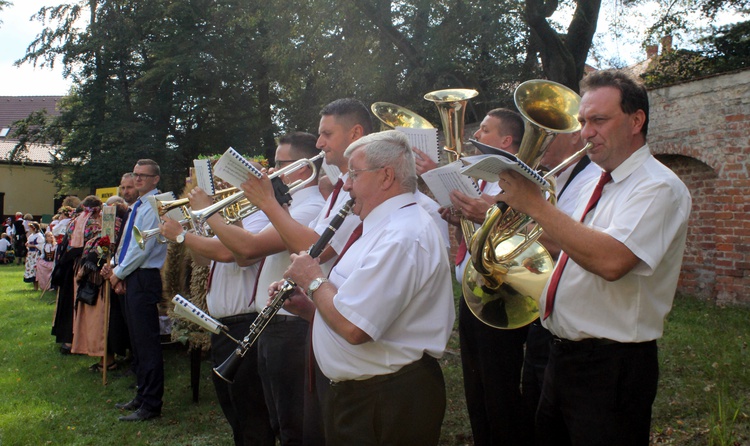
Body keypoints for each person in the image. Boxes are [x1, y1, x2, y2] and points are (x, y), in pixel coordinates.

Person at [497, 69, 691, 445]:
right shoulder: (602, 180)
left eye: (599, 120)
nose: (585, 132)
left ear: (636, 121)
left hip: (610, 368)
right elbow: (571, 245)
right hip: (561, 356)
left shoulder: (658, 186)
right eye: (583, 121)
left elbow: (611, 261)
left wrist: (534, 205)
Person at [278, 130, 455, 445]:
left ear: (386, 176)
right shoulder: (382, 227)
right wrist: (310, 308)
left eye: (354, 175)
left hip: (385, 401)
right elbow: (357, 307)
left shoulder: (402, 236)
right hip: (367, 397)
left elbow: (356, 328)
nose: (346, 185)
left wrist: (314, 280)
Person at [185, 132, 326, 445]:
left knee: (285, 426)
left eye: (279, 164)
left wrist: (210, 211)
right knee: (271, 421)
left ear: (302, 169)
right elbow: (232, 250)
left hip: (289, 324)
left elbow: (244, 253)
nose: (269, 172)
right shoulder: (277, 206)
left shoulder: (310, 205)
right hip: (271, 322)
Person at [430, 108, 531, 445]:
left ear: (506, 141)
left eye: (485, 130)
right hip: (474, 289)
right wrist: (460, 218)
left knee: (498, 384)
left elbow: (520, 239)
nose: (477, 135)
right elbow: (482, 236)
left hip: (500, 291)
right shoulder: (484, 178)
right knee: (476, 384)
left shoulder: (516, 180)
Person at [161, 158, 276, 446]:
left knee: (253, 414)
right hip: (224, 325)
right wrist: (191, 230)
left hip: (247, 320)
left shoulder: (258, 214)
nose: (221, 186)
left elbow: (234, 254)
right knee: (234, 411)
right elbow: (203, 258)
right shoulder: (224, 216)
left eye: (226, 180)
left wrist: (194, 225)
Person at [520, 130, 601, 428]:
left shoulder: (591, 178)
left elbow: (573, 242)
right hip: (548, 317)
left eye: (550, 134)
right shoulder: (554, 179)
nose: (541, 143)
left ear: (576, 138)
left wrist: (522, 218)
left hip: (586, 336)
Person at [106, 159, 168, 422]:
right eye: (136, 174)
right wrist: (114, 267)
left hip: (142, 277)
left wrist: (117, 273)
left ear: (155, 180)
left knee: (147, 343)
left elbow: (142, 248)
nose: (138, 179)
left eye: (144, 175)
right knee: (137, 343)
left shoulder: (153, 206)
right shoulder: (137, 207)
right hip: (132, 275)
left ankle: (151, 404)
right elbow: (127, 244)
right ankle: (142, 395)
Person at [71, 199, 129, 372]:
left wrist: (84, 271)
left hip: (103, 282)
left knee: (104, 324)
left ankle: (107, 361)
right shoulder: (112, 226)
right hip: (103, 281)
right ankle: (108, 358)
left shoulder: (113, 227)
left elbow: (102, 251)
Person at [52, 196, 104, 354]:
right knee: (82, 303)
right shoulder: (97, 222)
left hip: (71, 264)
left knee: (69, 302)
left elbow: (66, 243)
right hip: (87, 266)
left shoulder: (74, 221)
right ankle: (81, 340)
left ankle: (68, 340)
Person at [24, 222, 45, 290]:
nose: (29, 229)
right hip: (31, 254)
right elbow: (29, 242)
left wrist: (32, 245)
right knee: (31, 268)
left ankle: (37, 286)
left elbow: (41, 245)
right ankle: (34, 286)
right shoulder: (31, 235)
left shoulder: (39, 236)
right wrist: (27, 244)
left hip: (36, 254)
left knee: (35, 268)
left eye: (30, 228)